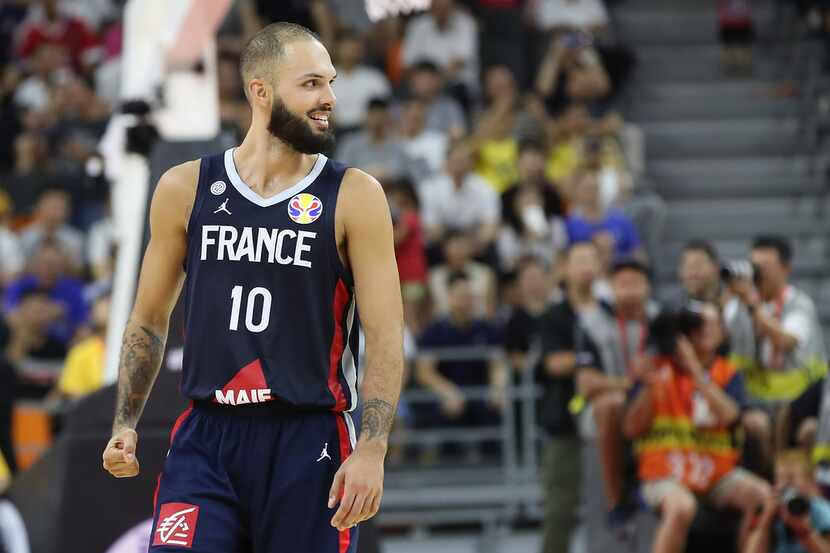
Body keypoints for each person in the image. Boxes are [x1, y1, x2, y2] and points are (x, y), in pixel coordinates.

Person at [101, 23, 404, 553]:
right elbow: (149, 318)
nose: (329, 98)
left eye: (329, 83)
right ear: (260, 91)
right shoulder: (184, 187)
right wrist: (125, 420)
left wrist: (373, 448)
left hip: (308, 440)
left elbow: (383, 334)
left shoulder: (355, 195)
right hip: (207, 439)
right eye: (311, 84)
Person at [624, 303, 771, 553]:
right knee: (682, 507)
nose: (704, 330)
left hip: (715, 471)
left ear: (722, 332)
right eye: (697, 325)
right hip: (665, 470)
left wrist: (696, 372)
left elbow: (731, 417)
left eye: (711, 324)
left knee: (764, 498)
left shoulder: (727, 372)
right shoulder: (657, 367)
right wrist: (648, 386)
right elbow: (631, 429)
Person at [537, 241, 609, 553]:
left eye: (591, 260)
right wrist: (584, 362)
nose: (585, 267)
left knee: (608, 503)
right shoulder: (555, 316)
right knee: (559, 508)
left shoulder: (610, 311)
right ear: (565, 269)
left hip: (609, 422)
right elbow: (554, 363)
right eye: (579, 261)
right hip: (566, 423)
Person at [745, 449, 830, 553]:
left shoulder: (821, 510)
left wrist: (805, 534)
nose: (784, 485)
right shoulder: (773, 510)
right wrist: (765, 522)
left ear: (809, 482)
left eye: (790, 478)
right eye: (779, 478)